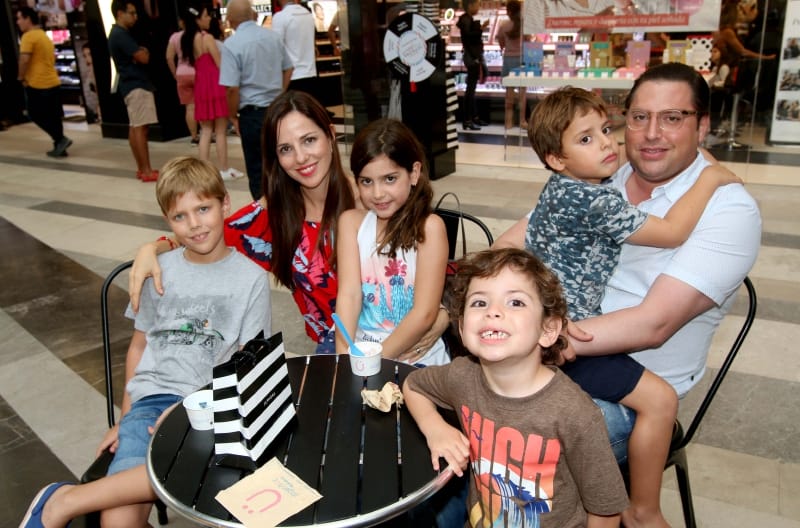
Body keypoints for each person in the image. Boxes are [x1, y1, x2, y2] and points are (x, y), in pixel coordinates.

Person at [499, 62, 762, 526]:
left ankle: (636, 513)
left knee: (507, 437)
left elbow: (653, 325)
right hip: (554, 344)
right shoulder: (606, 179)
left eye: (672, 118)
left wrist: (540, 339)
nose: (651, 133)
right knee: (461, 409)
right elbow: (512, 243)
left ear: (702, 126)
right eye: (639, 117)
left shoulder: (728, 208)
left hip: (624, 389)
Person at [19, 156, 271, 527]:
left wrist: (195, 407)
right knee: (117, 520)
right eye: (180, 216)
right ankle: (68, 499)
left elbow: (250, 366)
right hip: (150, 404)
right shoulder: (156, 269)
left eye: (203, 209)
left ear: (225, 205)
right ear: (167, 221)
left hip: (208, 409)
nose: (194, 224)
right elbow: (139, 347)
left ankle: (63, 501)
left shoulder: (251, 279)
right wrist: (125, 420)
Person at [403, 247, 629, 527]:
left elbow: (605, 510)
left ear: (548, 330)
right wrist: (435, 428)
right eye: (479, 302)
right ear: (461, 328)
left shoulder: (575, 413)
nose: (493, 312)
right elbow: (414, 385)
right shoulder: (462, 376)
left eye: (516, 302)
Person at [335, 118, 450, 366]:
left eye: (389, 179)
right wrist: (344, 354)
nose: (378, 194)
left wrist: (376, 360)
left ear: (414, 173)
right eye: (367, 181)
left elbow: (425, 313)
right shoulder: (350, 223)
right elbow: (349, 294)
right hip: (361, 350)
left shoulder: (429, 228)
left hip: (415, 356)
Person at [219, 0, 293, 199]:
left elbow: (232, 88)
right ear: (252, 14)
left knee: (257, 169)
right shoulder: (273, 37)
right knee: (282, 161)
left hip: (252, 115)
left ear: (230, 19)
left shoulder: (232, 45)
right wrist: (280, 93)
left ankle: (264, 210)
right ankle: (288, 205)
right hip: (277, 110)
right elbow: (288, 68)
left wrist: (232, 116)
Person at [185, 5, 244, 181]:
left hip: (201, 86)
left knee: (205, 130)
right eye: (206, 15)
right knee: (220, 130)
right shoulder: (207, 38)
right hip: (215, 85)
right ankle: (224, 168)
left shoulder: (190, 39)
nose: (209, 18)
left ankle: (203, 170)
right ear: (198, 19)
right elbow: (220, 64)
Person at [108, 0, 158, 182]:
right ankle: (146, 170)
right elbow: (143, 57)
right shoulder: (120, 35)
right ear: (120, 13)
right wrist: (143, 52)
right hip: (136, 85)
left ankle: (142, 168)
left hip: (130, 85)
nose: (135, 17)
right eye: (132, 13)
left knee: (135, 126)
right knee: (140, 128)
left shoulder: (118, 34)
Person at [15, 7, 72, 158]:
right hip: (53, 81)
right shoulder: (43, 35)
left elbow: (24, 59)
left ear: (28, 19)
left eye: (19, 18)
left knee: (35, 114)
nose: (17, 22)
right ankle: (60, 146)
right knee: (54, 116)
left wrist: (20, 77)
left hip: (37, 83)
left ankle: (60, 139)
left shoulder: (28, 37)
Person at [272, 0, 318, 96]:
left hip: (291, 77)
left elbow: (276, 49)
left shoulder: (280, 17)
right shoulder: (308, 14)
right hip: (311, 74)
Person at [166, 18, 199, 145]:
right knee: (201, 104)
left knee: (189, 107)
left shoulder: (174, 37)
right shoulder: (197, 36)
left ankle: (194, 137)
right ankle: (206, 133)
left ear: (181, 22)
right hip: (197, 72)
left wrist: (175, 73)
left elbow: (169, 57)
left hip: (181, 73)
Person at [457, 0, 489, 130]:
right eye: (477, 4)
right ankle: (467, 120)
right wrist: (481, 29)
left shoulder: (467, 19)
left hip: (472, 56)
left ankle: (474, 117)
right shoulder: (466, 20)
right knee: (470, 90)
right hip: (471, 57)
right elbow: (469, 38)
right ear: (470, 5)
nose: (478, 7)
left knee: (472, 89)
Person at [496, 0, 527, 129]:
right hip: (521, 59)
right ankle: (522, 121)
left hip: (508, 59)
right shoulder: (524, 25)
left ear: (508, 11)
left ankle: (508, 122)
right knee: (522, 92)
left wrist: (505, 47)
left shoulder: (504, 25)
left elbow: (501, 42)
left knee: (509, 93)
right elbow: (529, 41)